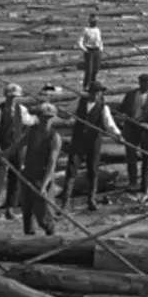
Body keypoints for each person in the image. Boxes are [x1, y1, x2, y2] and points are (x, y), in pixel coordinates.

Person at [3, 102, 64, 237]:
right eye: (43, 118)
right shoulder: (32, 131)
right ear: (38, 117)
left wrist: (44, 185)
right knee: (26, 208)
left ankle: (50, 230)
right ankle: (29, 235)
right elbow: (18, 144)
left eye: (48, 118)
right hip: (28, 172)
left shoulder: (54, 137)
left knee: (42, 212)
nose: (45, 121)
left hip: (42, 175)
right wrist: (5, 154)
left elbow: (51, 163)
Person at [60, 83, 123, 211]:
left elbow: (109, 124)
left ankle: (91, 199)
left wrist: (118, 135)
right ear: (90, 92)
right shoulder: (80, 101)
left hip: (93, 141)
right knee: (72, 168)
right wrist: (62, 113)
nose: (96, 95)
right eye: (94, 92)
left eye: (99, 93)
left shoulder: (103, 107)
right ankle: (65, 202)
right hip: (78, 140)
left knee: (93, 169)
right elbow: (67, 113)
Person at [0, 83, 33, 219]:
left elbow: (29, 124)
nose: (12, 99)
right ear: (6, 96)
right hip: (3, 146)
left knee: (15, 178)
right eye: (10, 96)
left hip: (17, 148)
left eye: (15, 97)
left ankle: (10, 208)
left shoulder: (22, 110)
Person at [117, 74, 148, 191]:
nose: (147, 86)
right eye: (145, 83)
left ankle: (145, 184)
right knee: (131, 155)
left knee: (147, 156)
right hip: (131, 127)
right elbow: (122, 108)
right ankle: (133, 181)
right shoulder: (130, 95)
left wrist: (147, 123)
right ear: (140, 83)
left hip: (146, 130)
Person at [77, 13, 103, 91]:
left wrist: (101, 48)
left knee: (96, 69)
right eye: (93, 21)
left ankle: (93, 85)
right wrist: (84, 49)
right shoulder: (86, 30)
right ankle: (86, 86)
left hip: (97, 50)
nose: (95, 22)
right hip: (89, 50)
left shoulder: (97, 30)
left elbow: (99, 40)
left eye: (96, 21)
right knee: (89, 70)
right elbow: (80, 41)